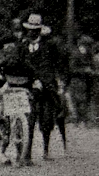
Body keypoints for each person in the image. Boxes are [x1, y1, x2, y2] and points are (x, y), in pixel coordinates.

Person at [14, 14, 68, 164]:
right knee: (28, 121)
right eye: (29, 30)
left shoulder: (49, 46)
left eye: (35, 30)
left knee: (46, 120)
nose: (32, 33)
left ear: (39, 31)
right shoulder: (22, 47)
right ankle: (26, 155)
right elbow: (19, 65)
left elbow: (55, 65)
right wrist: (32, 80)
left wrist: (51, 82)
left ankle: (45, 149)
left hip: (47, 88)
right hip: (28, 87)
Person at [68, 35, 95, 126]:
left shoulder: (87, 54)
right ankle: (79, 120)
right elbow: (72, 69)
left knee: (85, 100)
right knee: (79, 100)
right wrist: (84, 70)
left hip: (85, 80)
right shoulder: (75, 54)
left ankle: (84, 119)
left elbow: (92, 65)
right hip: (77, 80)